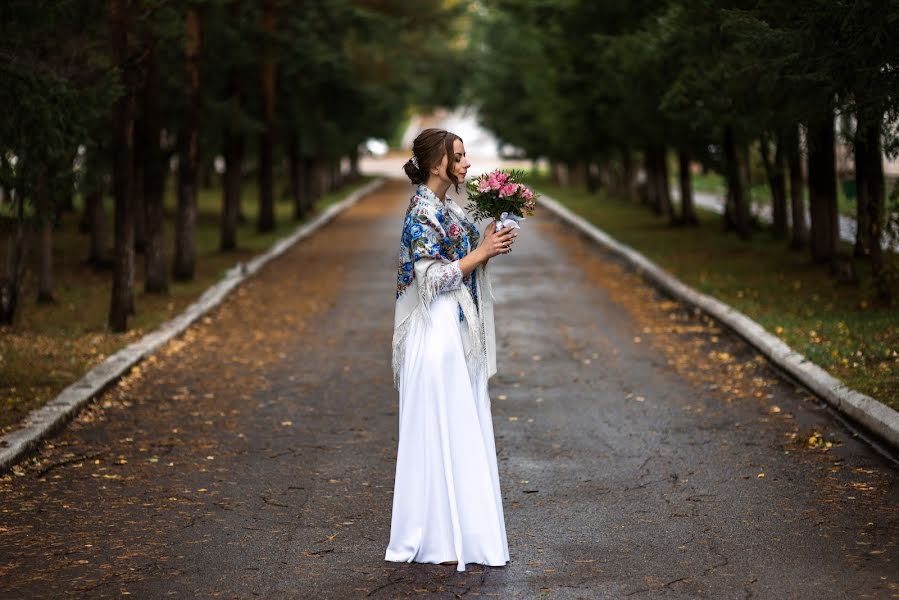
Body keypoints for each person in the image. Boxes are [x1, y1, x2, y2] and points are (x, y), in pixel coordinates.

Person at [385, 128, 517, 572]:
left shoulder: (446, 207)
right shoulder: (420, 211)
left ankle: (465, 530)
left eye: (465, 155)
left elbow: (463, 254)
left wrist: (489, 241)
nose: (466, 164)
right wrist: (479, 253)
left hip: (455, 331)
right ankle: (437, 534)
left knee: (463, 427)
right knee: (445, 427)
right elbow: (431, 279)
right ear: (436, 162)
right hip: (436, 335)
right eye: (458, 157)